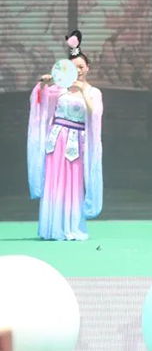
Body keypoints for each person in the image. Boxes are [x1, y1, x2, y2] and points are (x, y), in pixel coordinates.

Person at [27, 30, 104, 240]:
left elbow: (94, 114)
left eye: (81, 67)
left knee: (73, 183)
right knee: (54, 181)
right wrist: (44, 84)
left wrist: (83, 91)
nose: (78, 71)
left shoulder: (94, 92)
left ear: (88, 68)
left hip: (76, 142)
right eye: (74, 67)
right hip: (56, 140)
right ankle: (51, 228)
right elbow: (41, 102)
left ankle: (71, 227)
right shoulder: (59, 89)